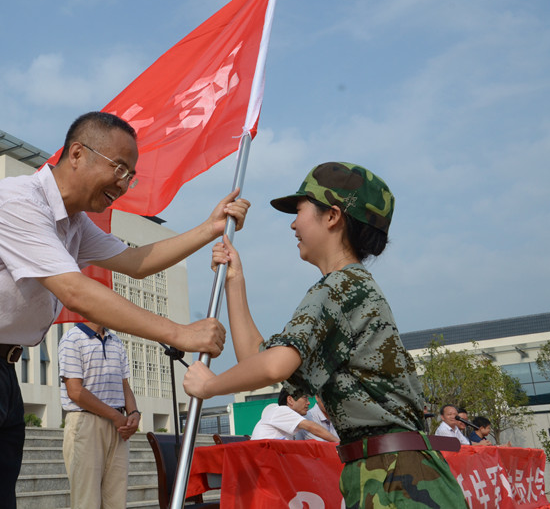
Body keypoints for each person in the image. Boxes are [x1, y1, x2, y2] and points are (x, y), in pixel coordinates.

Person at [0, 111, 250, 509]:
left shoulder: (74, 225)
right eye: (119, 168)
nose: (123, 182)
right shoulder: (18, 202)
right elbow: (75, 292)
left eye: (130, 174)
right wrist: (178, 333)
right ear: (78, 154)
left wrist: (210, 228)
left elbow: (136, 263)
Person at [183, 162, 467, 508]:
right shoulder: (351, 287)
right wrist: (234, 281)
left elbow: (274, 367)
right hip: (391, 472)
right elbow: (258, 361)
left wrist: (208, 385)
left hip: (396, 479)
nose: (292, 223)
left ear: (332, 216)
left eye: (299, 211)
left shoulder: (339, 288)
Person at [59, 321, 139, 508]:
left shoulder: (116, 341)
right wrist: (115, 416)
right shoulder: (72, 339)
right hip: (86, 422)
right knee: (87, 501)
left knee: (117, 500)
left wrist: (134, 412)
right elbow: (75, 392)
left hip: (118, 425)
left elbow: (124, 385)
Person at [251, 389, 339, 442]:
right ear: (290, 400)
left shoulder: (284, 417)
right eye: (305, 398)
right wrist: (338, 442)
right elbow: (311, 427)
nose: (308, 403)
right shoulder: (282, 410)